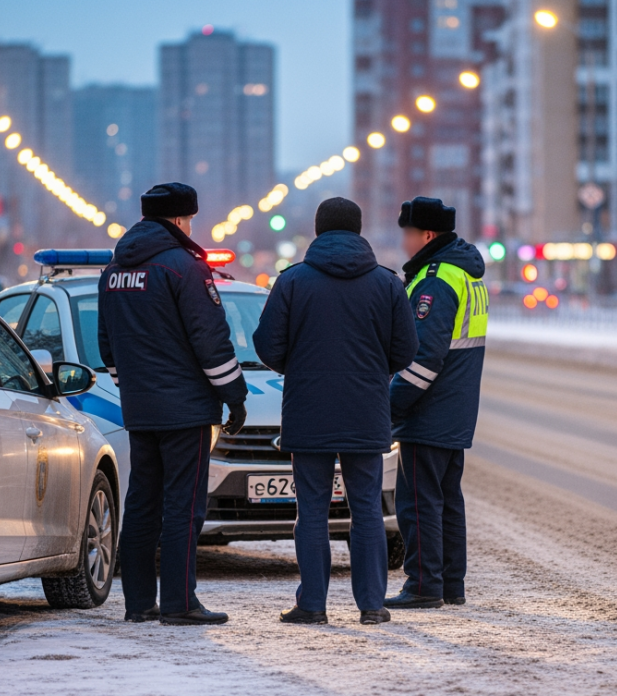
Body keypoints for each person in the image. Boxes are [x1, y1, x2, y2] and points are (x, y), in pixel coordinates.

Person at [252, 197, 418, 626]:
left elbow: (267, 345)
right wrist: (373, 372)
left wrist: (302, 368)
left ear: (318, 229)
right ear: (359, 230)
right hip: (366, 410)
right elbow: (407, 349)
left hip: (309, 410)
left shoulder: (293, 282)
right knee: (366, 509)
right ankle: (371, 605)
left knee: (311, 511)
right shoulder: (386, 284)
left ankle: (312, 605)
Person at [98, 182, 248, 626]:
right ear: (182, 220)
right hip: (186, 410)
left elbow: (108, 346)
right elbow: (212, 341)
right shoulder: (185, 268)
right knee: (183, 506)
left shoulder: (113, 272)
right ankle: (181, 603)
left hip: (140, 409)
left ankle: (139, 602)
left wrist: (134, 388)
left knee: (143, 502)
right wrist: (234, 397)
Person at [383, 197, 487, 610]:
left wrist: (393, 406)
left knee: (418, 502)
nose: (404, 242)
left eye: (407, 234)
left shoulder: (436, 278)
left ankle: (423, 585)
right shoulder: (466, 274)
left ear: (426, 235)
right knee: (446, 500)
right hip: (455, 409)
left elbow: (424, 358)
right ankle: (450, 585)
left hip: (430, 410)